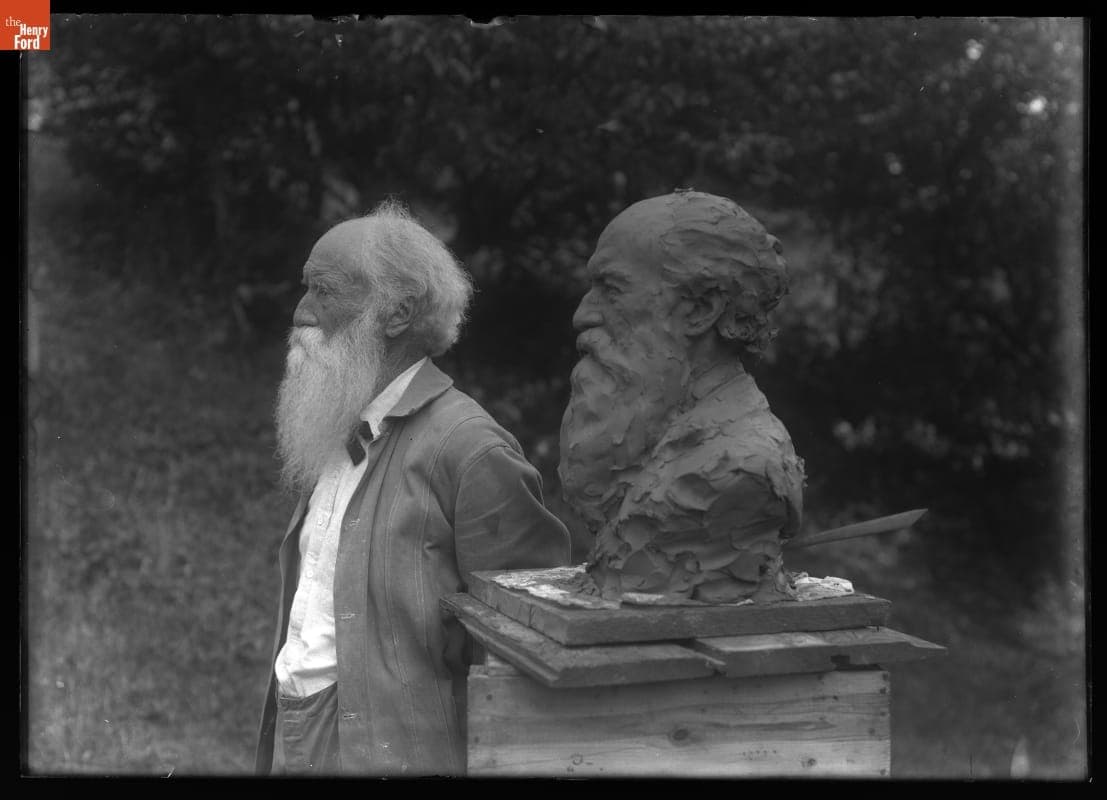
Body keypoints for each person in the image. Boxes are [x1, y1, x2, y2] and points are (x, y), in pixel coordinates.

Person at [255, 200, 571, 776]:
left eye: (324, 291)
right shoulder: (337, 420)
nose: (301, 312)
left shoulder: (471, 449)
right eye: (305, 288)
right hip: (297, 732)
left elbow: (525, 646)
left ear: (397, 313)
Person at [559, 190, 805, 604]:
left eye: (612, 289)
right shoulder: (657, 438)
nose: (582, 314)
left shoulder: (743, 467)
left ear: (700, 309)